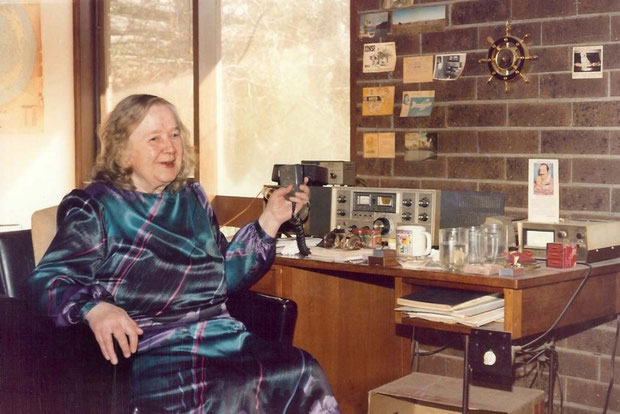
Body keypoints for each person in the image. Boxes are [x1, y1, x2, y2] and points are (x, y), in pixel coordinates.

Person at [28, 94, 340, 413]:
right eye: (154, 138)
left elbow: (225, 275)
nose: (170, 147)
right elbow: (48, 279)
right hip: (149, 347)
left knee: (302, 369)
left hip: (222, 334)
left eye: (174, 134)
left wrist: (272, 219)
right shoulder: (94, 206)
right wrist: (95, 309)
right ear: (123, 149)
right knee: (231, 389)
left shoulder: (191, 197)